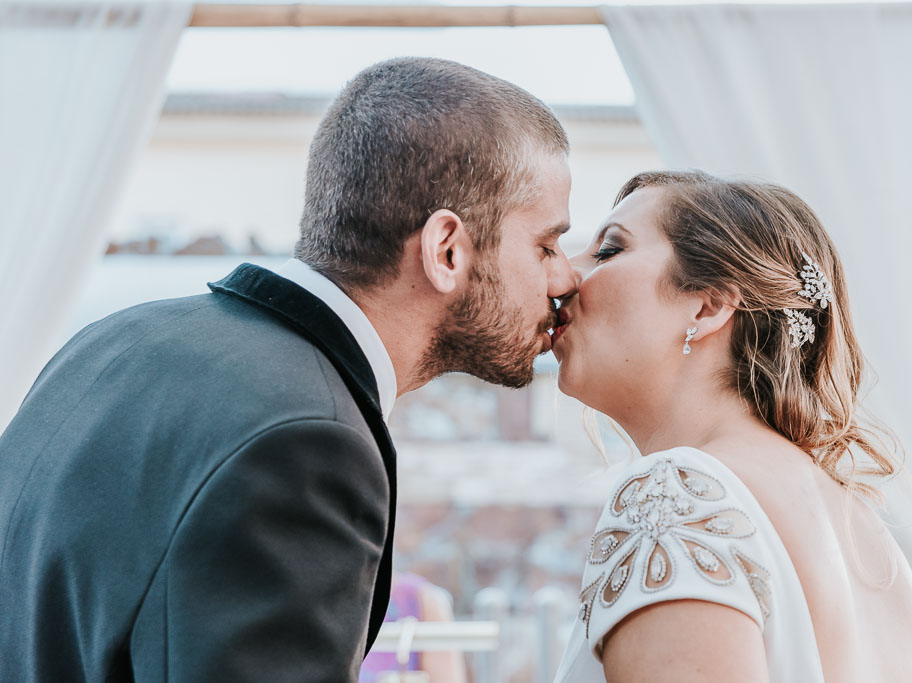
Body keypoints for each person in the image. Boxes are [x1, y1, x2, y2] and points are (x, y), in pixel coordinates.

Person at [0, 57, 576, 682]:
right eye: (545, 245)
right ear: (447, 250)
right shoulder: (306, 440)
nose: (565, 277)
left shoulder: (110, 341)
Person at [551, 171, 912, 682]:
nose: (562, 277)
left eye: (608, 251)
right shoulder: (861, 526)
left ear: (708, 306)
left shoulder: (677, 493)